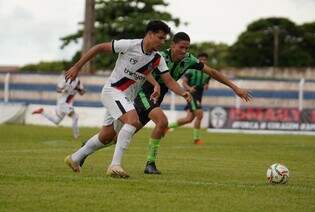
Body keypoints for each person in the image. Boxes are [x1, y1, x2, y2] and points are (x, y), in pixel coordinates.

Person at [77, 32, 252, 176]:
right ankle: (149, 164)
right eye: (181, 47)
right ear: (173, 45)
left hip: (156, 98)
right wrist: (156, 84)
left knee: (116, 138)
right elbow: (145, 71)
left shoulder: (189, 60)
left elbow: (212, 72)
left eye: (187, 48)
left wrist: (235, 88)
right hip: (143, 94)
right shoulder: (159, 57)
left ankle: (85, 149)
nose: (184, 51)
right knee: (162, 122)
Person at [64, 20, 192, 178]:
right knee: (133, 121)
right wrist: (77, 67)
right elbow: (98, 48)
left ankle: (75, 158)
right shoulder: (129, 45)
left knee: (106, 137)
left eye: (164, 38)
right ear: (150, 34)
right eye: (160, 37)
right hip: (113, 91)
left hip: (126, 99)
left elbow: (169, 81)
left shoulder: (158, 58)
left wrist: (183, 92)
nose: (162, 41)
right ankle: (115, 165)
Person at [168, 52, 211, 145]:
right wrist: (189, 88)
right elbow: (184, 83)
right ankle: (196, 139)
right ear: (198, 60)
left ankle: (167, 127)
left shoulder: (207, 73)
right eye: (201, 59)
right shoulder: (191, 71)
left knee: (189, 119)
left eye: (205, 59)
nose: (203, 61)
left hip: (199, 97)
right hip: (192, 96)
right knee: (200, 115)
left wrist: (206, 85)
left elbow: (207, 83)